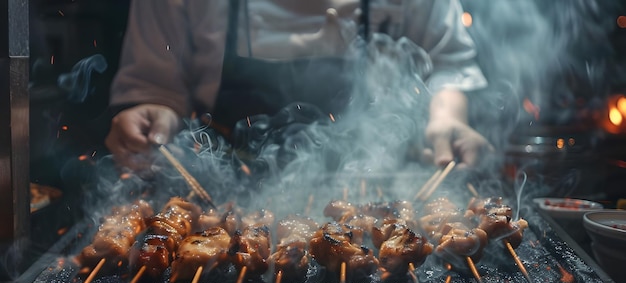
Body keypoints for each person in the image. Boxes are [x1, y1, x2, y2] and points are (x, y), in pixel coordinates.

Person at [104, 0, 493, 175]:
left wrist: (447, 118)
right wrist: (153, 112)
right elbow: (156, 84)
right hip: (225, 192)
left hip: (382, 188)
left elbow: (446, 63)